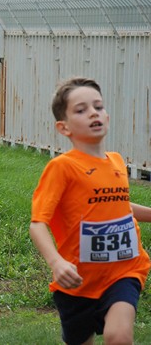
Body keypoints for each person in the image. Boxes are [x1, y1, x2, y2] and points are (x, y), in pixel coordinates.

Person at [29, 77, 151, 344]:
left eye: (98, 106)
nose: (93, 113)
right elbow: (38, 223)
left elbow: (117, 207)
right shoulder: (62, 167)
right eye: (81, 110)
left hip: (124, 271)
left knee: (118, 336)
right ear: (64, 127)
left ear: (106, 116)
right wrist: (56, 262)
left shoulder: (117, 162)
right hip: (77, 282)